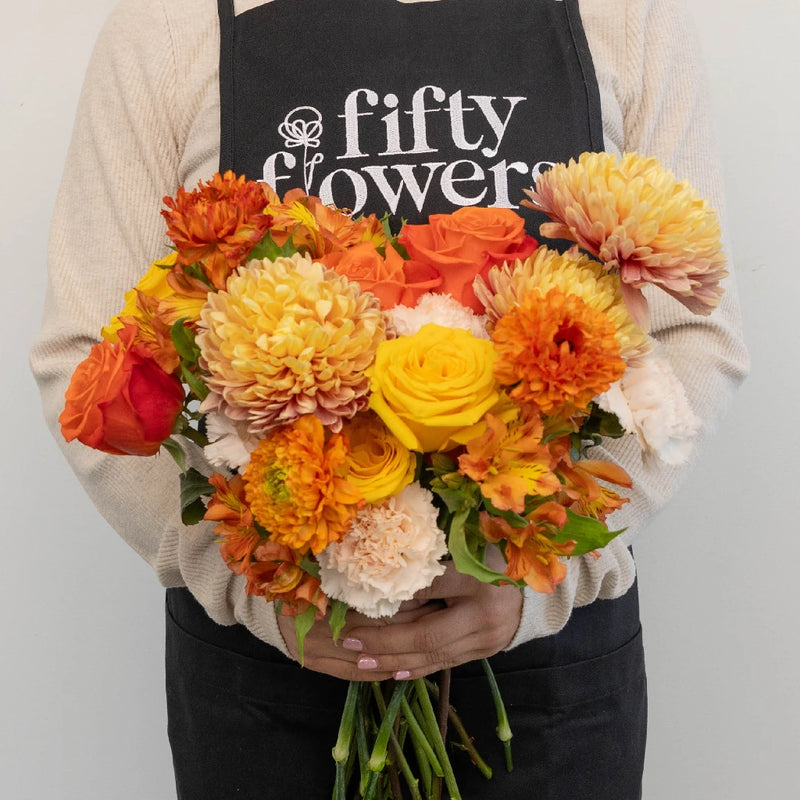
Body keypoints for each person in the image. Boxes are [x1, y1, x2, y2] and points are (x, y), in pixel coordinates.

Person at [31, 0, 748, 797]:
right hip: (271, 681)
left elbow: (693, 337)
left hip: (547, 680)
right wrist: (259, 588)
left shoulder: (630, 17)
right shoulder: (165, 28)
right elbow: (85, 354)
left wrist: (543, 576)